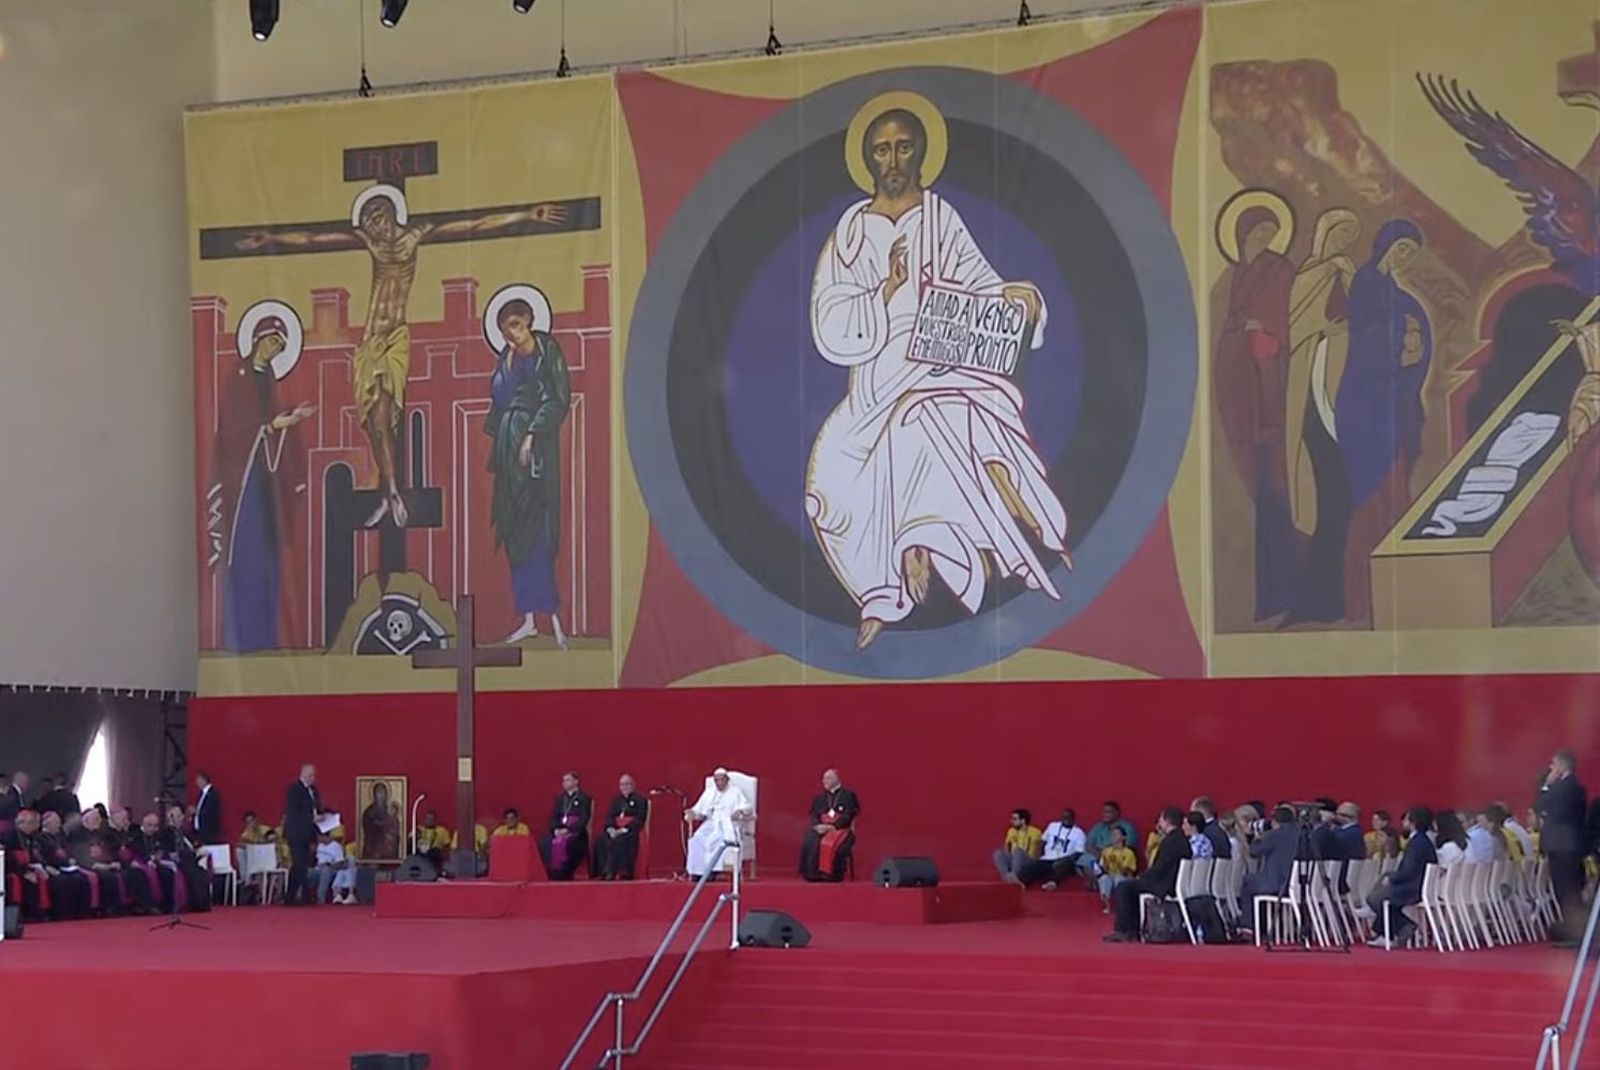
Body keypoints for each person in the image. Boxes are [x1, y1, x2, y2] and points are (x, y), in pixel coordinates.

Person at [807, 104, 1064, 651]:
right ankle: (882, 590)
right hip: (875, 376)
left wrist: (1017, 300)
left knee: (929, 420)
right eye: (882, 149)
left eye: (903, 147)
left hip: (939, 365)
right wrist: (885, 291)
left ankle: (953, 543)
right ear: (868, 159)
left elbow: (978, 285)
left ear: (920, 153)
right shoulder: (851, 231)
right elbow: (828, 317)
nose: (893, 159)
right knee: (829, 488)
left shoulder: (941, 217)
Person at [232, 188, 569, 529]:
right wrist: (269, 237)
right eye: (367, 222)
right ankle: (388, 491)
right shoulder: (370, 241)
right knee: (375, 424)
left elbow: (475, 223)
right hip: (370, 340)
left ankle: (392, 490)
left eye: (376, 219)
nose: (372, 227)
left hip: (395, 339)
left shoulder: (415, 236)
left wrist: (526, 215)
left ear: (391, 214)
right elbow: (312, 238)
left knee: (383, 411)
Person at [1337, 219, 1431, 622]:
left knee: (1395, 499)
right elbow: (1369, 337)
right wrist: (1401, 342)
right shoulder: (1367, 283)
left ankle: (1398, 598)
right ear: (1385, 245)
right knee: (1373, 505)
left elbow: (1413, 338)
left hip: (1394, 402)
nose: (1404, 257)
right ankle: (1364, 601)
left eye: (1411, 252)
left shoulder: (1395, 291)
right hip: (1366, 405)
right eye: (1401, 248)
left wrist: (1414, 347)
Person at [206, 316, 314, 651]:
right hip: (243, 483)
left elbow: (268, 423)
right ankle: (243, 640)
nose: (275, 349)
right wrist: (273, 425)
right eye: (272, 342)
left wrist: (287, 421)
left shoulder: (267, 378)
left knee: (268, 559)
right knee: (246, 556)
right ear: (257, 340)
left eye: (280, 346)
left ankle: (265, 639)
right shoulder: (240, 376)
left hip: (264, 480)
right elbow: (235, 428)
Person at [1214, 198, 1298, 622]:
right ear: (1242, 235)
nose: (1264, 240)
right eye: (1257, 233)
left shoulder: (1278, 269)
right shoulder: (1232, 279)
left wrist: (1260, 331)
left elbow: (1281, 321)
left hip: (1270, 396)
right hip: (1241, 397)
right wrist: (1240, 334)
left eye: (1270, 232)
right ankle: (1268, 597)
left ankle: (1283, 593)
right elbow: (1230, 330)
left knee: (1277, 492)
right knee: (1259, 495)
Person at [1282, 208, 1360, 624]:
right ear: (1322, 232)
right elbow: (1293, 326)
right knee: (1324, 498)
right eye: (1339, 232)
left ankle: (1330, 598)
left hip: (1340, 393)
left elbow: (1362, 322)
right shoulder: (1307, 276)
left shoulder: (1347, 272)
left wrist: (1344, 331)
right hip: (1309, 392)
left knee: (1339, 501)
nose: (1343, 241)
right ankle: (1317, 598)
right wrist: (1324, 331)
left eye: (1350, 234)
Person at [486, 297, 573, 647]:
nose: (511, 335)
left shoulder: (547, 351)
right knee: (514, 528)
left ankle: (551, 618)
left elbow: (558, 399)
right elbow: (498, 400)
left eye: (516, 326)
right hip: (510, 448)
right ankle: (527, 619)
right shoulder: (505, 358)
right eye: (505, 329)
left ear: (528, 321)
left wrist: (532, 436)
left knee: (538, 527)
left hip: (537, 452)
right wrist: (504, 367)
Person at [1104, 807, 1191, 943]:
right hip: (1173, 881)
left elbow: (1160, 868)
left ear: (1168, 821)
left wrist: (1141, 877)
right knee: (1130, 886)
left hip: (1165, 884)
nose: (1159, 823)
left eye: (1161, 819)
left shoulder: (1170, 841)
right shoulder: (1182, 839)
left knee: (1124, 887)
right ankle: (1132, 930)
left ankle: (1124, 930)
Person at [1366, 806, 1437, 948]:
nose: (1403, 823)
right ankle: (1387, 931)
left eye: (1405, 820)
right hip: (1420, 885)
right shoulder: (1424, 841)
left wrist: (1392, 878)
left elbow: (1409, 870)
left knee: (1375, 899)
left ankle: (1399, 928)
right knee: (1383, 897)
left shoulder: (1417, 843)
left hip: (1413, 887)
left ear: (1413, 823)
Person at [1539, 750, 1588, 945]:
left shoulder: (1561, 788)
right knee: (1571, 889)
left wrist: (1546, 785)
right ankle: (1576, 931)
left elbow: (1542, 806)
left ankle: (1574, 933)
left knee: (1565, 889)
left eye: (1553, 765)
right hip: (1572, 845)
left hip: (1561, 846)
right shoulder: (1578, 788)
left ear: (1562, 766)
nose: (1551, 768)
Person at [1240, 804, 1300, 932]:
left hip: (1275, 884)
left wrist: (1256, 837)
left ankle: (1249, 926)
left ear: (1275, 821)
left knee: (1247, 882)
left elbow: (1254, 852)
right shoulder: (1300, 835)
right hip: (1297, 885)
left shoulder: (1274, 835)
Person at [685, 768, 751, 878]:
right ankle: (697, 872)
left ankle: (712, 871)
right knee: (696, 839)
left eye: (721, 780)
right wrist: (692, 812)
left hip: (727, 824)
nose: (719, 783)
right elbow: (700, 811)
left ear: (727, 780)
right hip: (711, 823)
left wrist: (739, 811)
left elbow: (747, 807)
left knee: (716, 840)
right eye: (716, 780)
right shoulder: (709, 792)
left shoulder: (735, 792)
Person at [799, 769, 860, 883]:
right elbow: (813, 815)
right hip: (822, 828)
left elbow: (849, 815)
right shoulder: (820, 798)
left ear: (837, 779)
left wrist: (833, 826)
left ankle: (830, 875)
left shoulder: (848, 795)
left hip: (841, 829)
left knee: (836, 846)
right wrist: (818, 826)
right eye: (823, 778)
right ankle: (812, 874)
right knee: (810, 839)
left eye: (828, 778)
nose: (824, 781)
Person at [537, 772, 593, 881]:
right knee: (545, 842)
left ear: (576, 782)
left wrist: (569, 830)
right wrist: (556, 829)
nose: (565, 783)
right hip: (560, 830)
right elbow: (554, 817)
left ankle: (565, 873)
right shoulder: (560, 798)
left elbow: (584, 818)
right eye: (564, 781)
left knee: (570, 844)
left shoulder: (584, 798)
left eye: (568, 780)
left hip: (576, 832)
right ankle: (552, 873)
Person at [595, 775, 650, 881]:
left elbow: (640, 819)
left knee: (620, 840)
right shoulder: (616, 801)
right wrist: (610, 828)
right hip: (615, 829)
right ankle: (604, 870)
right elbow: (610, 816)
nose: (625, 787)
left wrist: (622, 830)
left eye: (627, 784)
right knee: (601, 839)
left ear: (633, 785)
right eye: (622, 784)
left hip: (631, 830)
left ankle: (619, 871)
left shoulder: (640, 800)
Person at [283, 763, 322, 906]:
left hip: (308, 833)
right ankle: (305, 896)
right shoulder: (294, 790)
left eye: (314, 776)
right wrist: (312, 817)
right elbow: (295, 812)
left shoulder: (314, 791)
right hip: (296, 832)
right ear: (303, 774)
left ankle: (290, 897)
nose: (313, 778)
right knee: (300, 864)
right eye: (311, 775)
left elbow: (317, 808)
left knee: (300, 865)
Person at [1077, 801, 1138, 884]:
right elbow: (1088, 844)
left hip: (1117, 857)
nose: (1105, 814)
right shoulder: (1098, 827)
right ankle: (1097, 882)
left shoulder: (1127, 827)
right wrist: (1099, 854)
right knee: (1085, 859)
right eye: (1103, 811)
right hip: (1098, 856)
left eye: (1108, 812)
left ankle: (1101, 883)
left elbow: (1130, 846)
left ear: (1117, 813)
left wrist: (1109, 853)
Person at [1035, 808, 1087, 890]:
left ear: (1073, 819)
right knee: (1033, 866)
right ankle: (1021, 881)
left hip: (1065, 861)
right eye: (1064, 817)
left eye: (1068, 817)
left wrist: (1065, 859)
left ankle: (1052, 883)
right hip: (1047, 858)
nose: (1066, 820)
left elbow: (1079, 853)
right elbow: (1042, 842)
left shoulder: (1079, 833)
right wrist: (1038, 854)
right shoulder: (1052, 826)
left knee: (1063, 866)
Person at [992, 808, 1044, 885]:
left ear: (1023, 821)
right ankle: (1008, 878)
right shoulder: (1011, 831)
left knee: (1018, 851)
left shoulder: (1036, 832)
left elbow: (1038, 851)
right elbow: (1006, 847)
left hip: (1030, 861)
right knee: (998, 853)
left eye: (1015, 819)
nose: (1012, 821)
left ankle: (1013, 876)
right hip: (1014, 860)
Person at [1096, 826, 1138, 913]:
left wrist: (1117, 861)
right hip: (1111, 875)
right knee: (1104, 879)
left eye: (1116, 834)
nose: (1113, 836)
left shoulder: (1128, 852)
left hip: (1125, 877)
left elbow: (1128, 872)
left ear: (1123, 837)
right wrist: (1104, 866)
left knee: (1118, 878)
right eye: (1113, 834)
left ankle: (1122, 905)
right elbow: (1104, 869)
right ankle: (1108, 906)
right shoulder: (1106, 851)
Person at [360, 780, 402, 861]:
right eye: (379, 792)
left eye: (383, 792)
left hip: (387, 841)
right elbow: (367, 825)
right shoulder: (370, 811)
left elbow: (395, 827)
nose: (381, 795)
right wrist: (379, 825)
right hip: (374, 840)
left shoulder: (389, 809)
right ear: (374, 794)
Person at [314, 831, 357, 905]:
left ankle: (320, 899)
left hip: (331, 869)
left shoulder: (335, 846)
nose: (317, 838)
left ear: (323, 836)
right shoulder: (319, 845)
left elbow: (340, 863)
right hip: (317, 869)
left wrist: (328, 865)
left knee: (325, 871)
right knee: (303, 871)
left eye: (318, 836)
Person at [194, 771, 224, 845]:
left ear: (203, 780)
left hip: (209, 832)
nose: (196, 783)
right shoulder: (201, 794)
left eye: (198, 780)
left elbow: (211, 813)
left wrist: (197, 811)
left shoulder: (212, 794)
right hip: (200, 832)